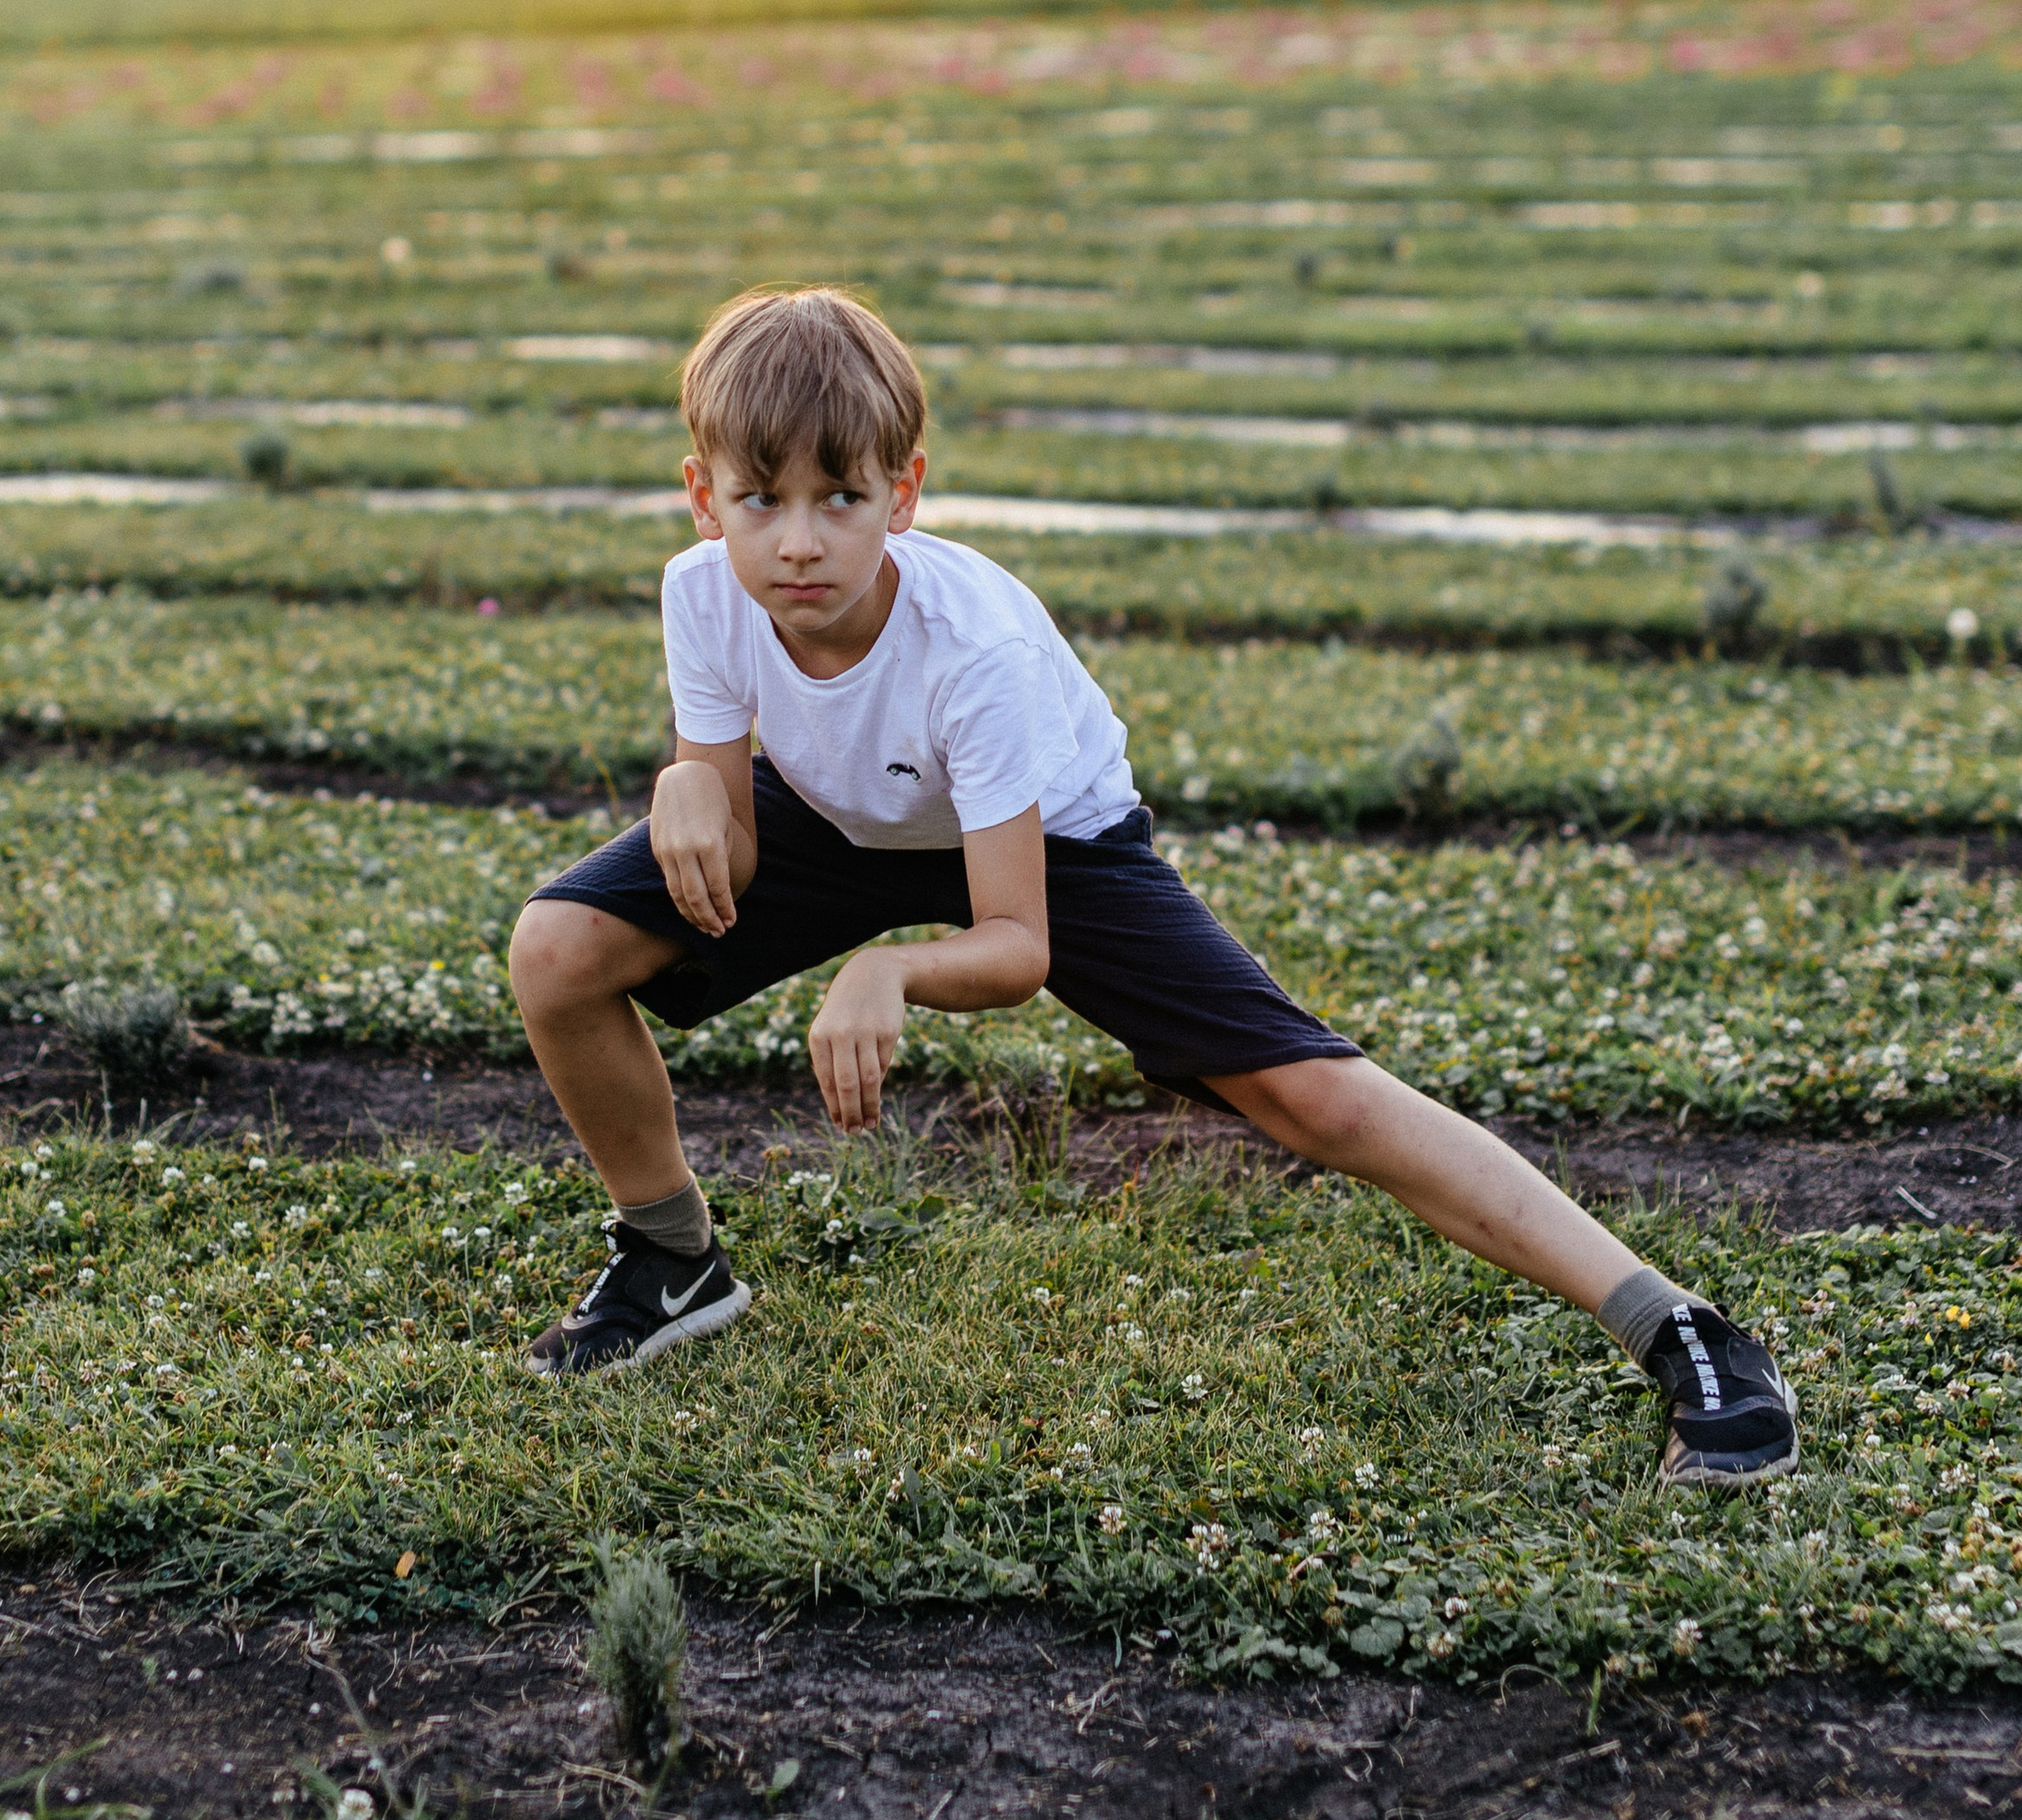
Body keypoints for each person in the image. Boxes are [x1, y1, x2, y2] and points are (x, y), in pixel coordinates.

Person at [506, 287, 1800, 1487]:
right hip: (841, 813)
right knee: (558, 951)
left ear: (904, 494)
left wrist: (890, 966)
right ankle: (671, 1259)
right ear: (703, 499)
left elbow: (1014, 945)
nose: (799, 541)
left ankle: (1677, 1327)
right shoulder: (705, 595)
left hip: (1049, 837)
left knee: (1311, 1099)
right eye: (761, 501)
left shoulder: (975, 649)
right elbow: (728, 869)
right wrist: (689, 787)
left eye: (840, 497)